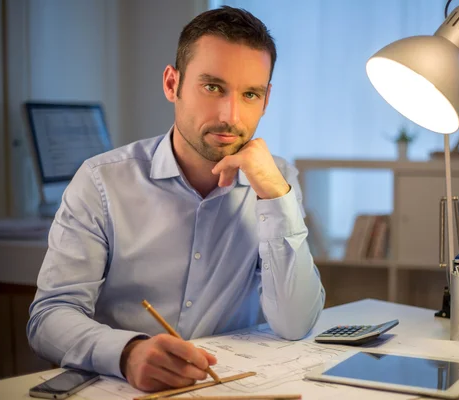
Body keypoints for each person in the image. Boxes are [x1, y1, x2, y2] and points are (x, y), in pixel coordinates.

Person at [27, 6, 325, 392]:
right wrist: (127, 352)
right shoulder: (101, 181)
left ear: (266, 100)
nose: (229, 115)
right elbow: (49, 316)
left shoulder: (278, 180)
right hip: (123, 388)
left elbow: (296, 323)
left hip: (230, 387)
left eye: (249, 94)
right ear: (172, 84)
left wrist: (274, 196)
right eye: (212, 87)